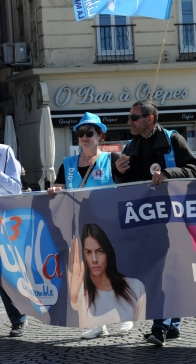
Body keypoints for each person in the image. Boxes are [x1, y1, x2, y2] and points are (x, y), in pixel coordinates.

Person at [113, 100, 196, 347]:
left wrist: (168, 174)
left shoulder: (173, 139)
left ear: (149, 119)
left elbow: (194, 169)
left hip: (174, 217)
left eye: (133, 117)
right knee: (157, 271)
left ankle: (160, 325)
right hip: (145, 220)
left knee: (168, 271)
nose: (128, 121)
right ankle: (171, 325)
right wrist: (119, 171)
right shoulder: (132, 144)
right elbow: (125, 183)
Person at [47, 112, 131, 338]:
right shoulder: (68, 163)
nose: (84, 137)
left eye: (89, 133)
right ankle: (99, 322)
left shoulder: (112, 160)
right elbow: (58, 186)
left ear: (100, 136)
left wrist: (123, 172)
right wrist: (55, 189)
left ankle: (125, 316)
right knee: (89, 276)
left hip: (109, 225)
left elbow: (126, 184)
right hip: (82, 228)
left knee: (113, 272)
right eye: (81, 133)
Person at [69, 223, 146, 328]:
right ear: (84, 255)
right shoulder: (81, 289)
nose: (94, 260)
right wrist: (73, 295)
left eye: (100, 251)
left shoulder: (135, 287)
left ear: (108, 252)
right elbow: (74, 304)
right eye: (88, 252)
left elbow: (140, 331)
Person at [0, 143, 26, 337]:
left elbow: (16, 189)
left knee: (5, 273)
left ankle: (18, 318)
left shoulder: (4, 152)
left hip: (4, 221)